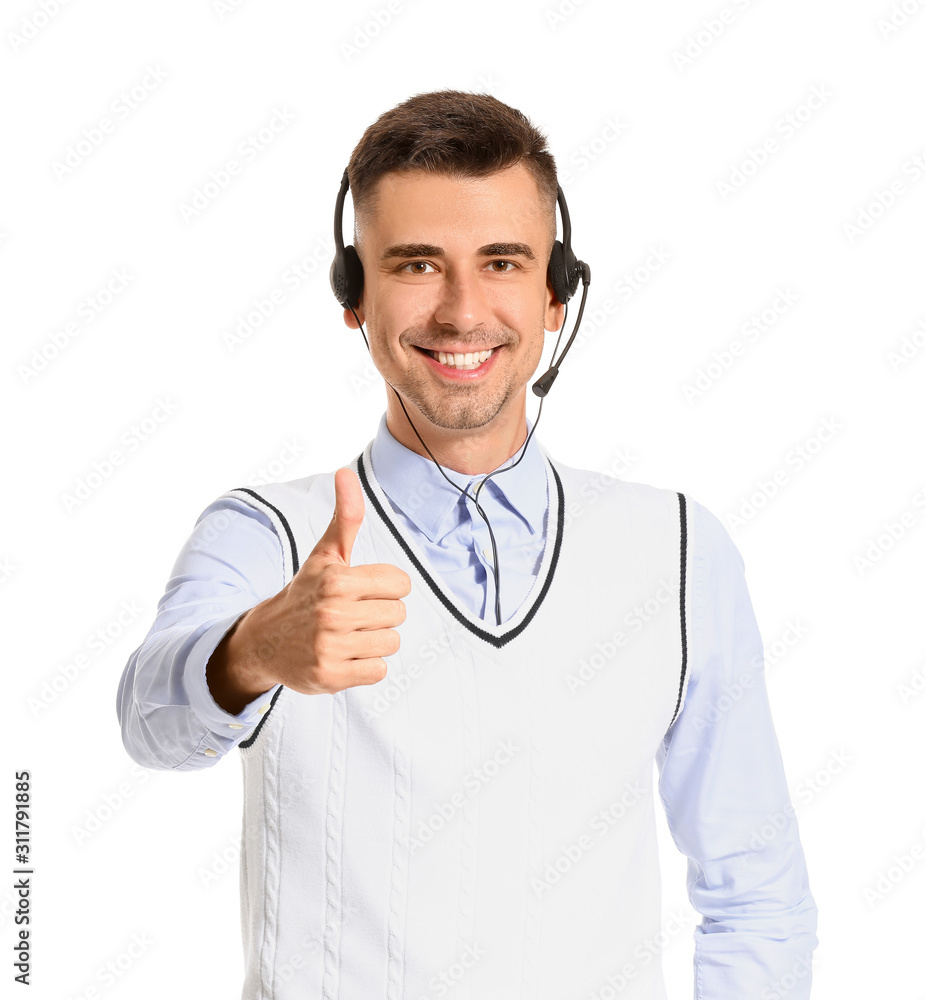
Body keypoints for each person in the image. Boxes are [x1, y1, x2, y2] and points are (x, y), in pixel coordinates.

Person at [117, 90, 818, 999]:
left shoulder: (679, 551)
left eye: (501, 262)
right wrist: (251, 651)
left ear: (555, 294)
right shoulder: (265, 533)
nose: (460, 311)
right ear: (352, 296)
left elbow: (754, 891)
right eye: (415, 264)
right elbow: (149, 726)